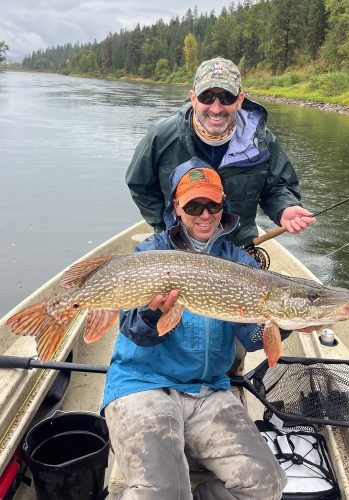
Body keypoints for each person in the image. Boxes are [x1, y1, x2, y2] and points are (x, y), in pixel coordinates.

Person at [102, 158, 288, 500]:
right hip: (143, 383)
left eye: (213, 204)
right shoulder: (152, 251)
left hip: (208, 390)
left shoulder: (238, 262)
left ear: (223, 205)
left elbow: (251, 337)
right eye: (194, 205)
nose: (205, 215)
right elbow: (133, 332)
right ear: (177, 206)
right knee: (161, 492)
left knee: (267, 484)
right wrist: (150, 316)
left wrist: (290, 323)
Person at [125, 56, 316, 248]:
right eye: (207, 97)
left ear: (240, 100)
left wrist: (284, 208)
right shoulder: (162, 136)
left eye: (227, 97)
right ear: (193, 98)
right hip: (177, 245)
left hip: (238, 247)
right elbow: (140, 185)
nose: (216, 108)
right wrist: (165, 226)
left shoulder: (261, 141)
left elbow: (278, 187)